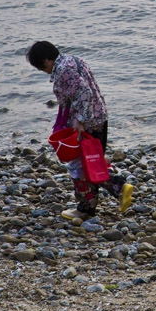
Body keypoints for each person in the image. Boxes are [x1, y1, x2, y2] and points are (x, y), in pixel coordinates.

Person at [25, 41, 134, 221]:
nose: (43, 71)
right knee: (91, 161)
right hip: (99, 116)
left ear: (46, 60)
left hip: (86, 122)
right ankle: (99, 200)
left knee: (81, 166)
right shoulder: (74, 60)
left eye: (40, 67)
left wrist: (81, 121)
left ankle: (104, 196)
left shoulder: (63, 70)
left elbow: (85, 93)